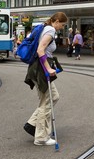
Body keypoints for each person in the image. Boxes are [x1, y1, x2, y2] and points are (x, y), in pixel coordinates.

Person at [25, 11, 68, 146]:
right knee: (47, 101)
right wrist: (48, 68)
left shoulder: (46, 28)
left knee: (52, 97)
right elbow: (40, 50)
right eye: (62, 24)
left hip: (38, 68)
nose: (62, 27)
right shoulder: (50, 30)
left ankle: (32, 124)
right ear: (56, 21)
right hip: (41, 69)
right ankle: (41, 137)